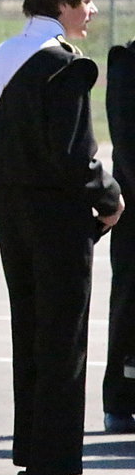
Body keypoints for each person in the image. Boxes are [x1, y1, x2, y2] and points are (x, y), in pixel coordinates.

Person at [0, 0, 124, 475]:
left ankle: (31, 465)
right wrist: (109, 200)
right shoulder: (63, 65)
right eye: (86, 0)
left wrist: (3, 199)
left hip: (10, 208)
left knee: (31, 337)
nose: (92, 10)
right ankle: (52, 474)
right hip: (57, 217)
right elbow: (77, 155)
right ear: (63, 3)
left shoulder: (0, 58)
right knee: (64, 343)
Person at [103, 37, 135, 433]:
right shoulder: (126, 61)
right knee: (129, 298)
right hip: (134, 204)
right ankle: (120, 400)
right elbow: (126, 140)